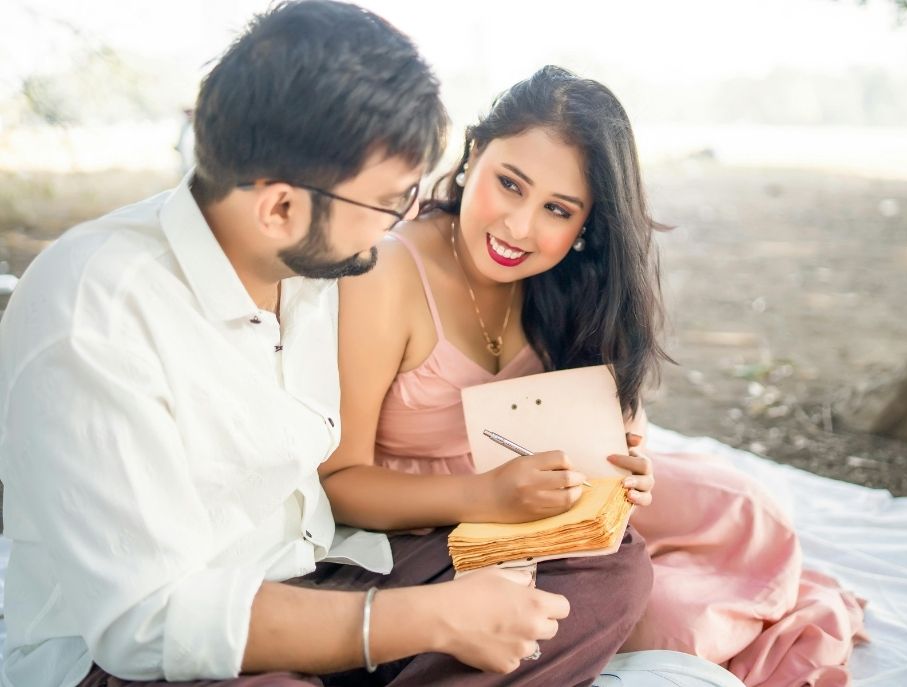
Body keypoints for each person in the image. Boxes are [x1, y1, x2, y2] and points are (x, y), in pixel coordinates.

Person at [0, 6, 651, 686]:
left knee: (601, 567)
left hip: (311, 569)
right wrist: (426, 618)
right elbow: (151, 619)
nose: (401, 227)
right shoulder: (95, 310)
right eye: (386, 205)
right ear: (279, 206)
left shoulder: (309, 266)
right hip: (137, 651)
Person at [321, 65, 868, 687]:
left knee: (743, 513)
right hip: (399, 534)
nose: (519, 227)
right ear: (474, 152)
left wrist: (623, 468)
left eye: (558, 209)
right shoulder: (389, 275)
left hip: (527, 508)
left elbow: (601, 427)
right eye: (509, 184)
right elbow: (338, 483)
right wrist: (485, 497)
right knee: (620, 574)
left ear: (589, 224)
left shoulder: (567, 285)